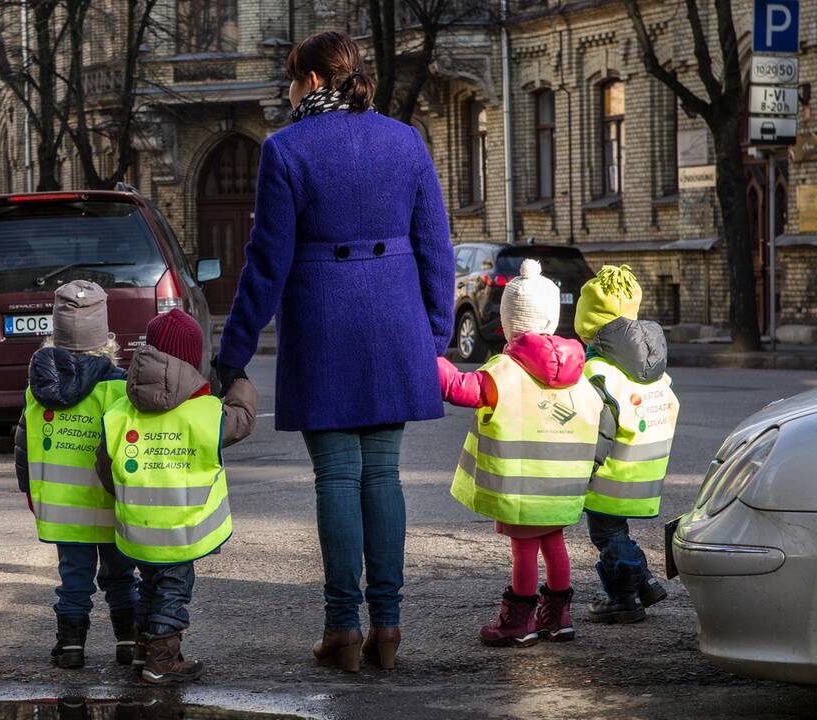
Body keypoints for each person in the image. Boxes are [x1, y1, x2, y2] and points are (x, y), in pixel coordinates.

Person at [213, 30, 454, 673]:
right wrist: (432, 335)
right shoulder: (404, 140)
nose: (288, 93)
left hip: (323, 326)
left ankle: (342, 628)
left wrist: (231, 353)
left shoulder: (285, 150)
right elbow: (436, 245)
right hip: (394, 325)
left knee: (338, 479)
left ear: (313, 82)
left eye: (291, 81)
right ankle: (389, 625)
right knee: (383, 475)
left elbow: (266, 264)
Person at [437, 259, 604, 647]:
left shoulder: (505, 371)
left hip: (522, 488)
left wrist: (429, 363)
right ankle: (559, 616)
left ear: (509, 322)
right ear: (551, 319)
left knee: (524, 551)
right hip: (562, 486)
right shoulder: (578, 373)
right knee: (555, 544)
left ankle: (520, 619)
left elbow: (462, 389)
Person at [97, 309, 258, 685]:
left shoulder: (120, 411)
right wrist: (238, 381)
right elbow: (242, 420)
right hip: (182, 531)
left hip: (136, 530)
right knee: (173, 589)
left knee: (150, 585)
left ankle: (144, 648)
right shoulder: (204, 411)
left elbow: (104, 468)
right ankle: (163, 660)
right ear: (192, 359)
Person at [14, 280, 139, 669]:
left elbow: (24, 446)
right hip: (113, 507)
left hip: (65, 510)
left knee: (74, 580)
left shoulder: (40, 388)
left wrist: (30, 492)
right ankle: (129, 643)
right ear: (107, 341)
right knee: (121, 577)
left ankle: (70, 648)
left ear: (55, 335)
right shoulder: (119, 389)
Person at [575, 265, 678, 624]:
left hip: (610, 471)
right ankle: (644, 583)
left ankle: (624, 597)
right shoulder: (648, 364)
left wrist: (583, 471)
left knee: (606, 534)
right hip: (644, 467)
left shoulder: (598, 372)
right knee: (616, 530)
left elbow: (599, 430)